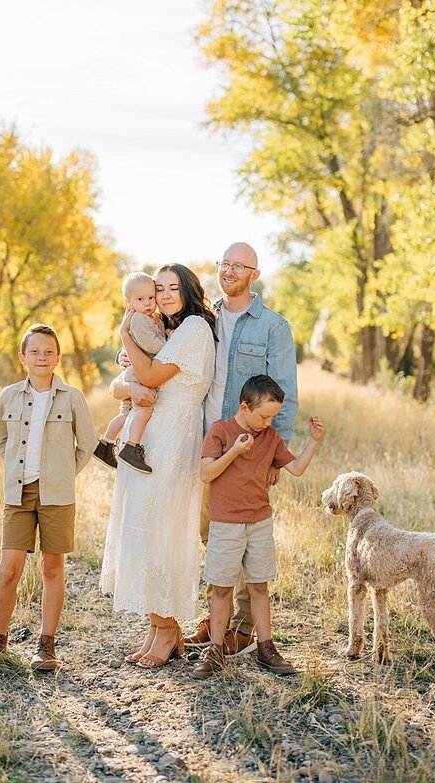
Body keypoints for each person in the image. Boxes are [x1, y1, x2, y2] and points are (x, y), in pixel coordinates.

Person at [99, 264, 218, 668]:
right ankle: (155, 626)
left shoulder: (195, 330)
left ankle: (168, 628)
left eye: (171, 288)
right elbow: (128, 381)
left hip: (174, 435)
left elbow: (148, 373)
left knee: (160, 530)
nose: (164, 295)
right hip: (150, 433)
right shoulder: (165, 331)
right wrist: (129, 380)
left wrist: (124, 333)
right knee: (141, 527)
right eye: (158, 289)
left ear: (187, 290)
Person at [189, 242, 299, 657]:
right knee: (212, 533)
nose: (229, 271)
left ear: (254, 273)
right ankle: (219, 618)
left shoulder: (273, 326)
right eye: (224, 264)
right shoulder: (204, 319)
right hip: (209, 444)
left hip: (251, 449)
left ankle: (242, 626)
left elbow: (284, 389)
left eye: (239, 266)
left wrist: (276, 452)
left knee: (247, 534)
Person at [192, 375, 325, 678]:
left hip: (259, 522)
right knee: (222, 588)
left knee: (258, 586)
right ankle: (215, 650)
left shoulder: (271, 437)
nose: (268, 421)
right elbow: (205, 473)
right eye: (264, 415)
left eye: (273, 416)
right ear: (244, 407)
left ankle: (266, 647)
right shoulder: (220, 431)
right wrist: (234, 452)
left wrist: (314, 440)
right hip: (225, 524)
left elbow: (297, 469)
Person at [0, 324, 97, 671]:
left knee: (52, 566)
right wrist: (18, 470)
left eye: (49, 351)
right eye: (35, 352)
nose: (42, 357)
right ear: (23, 358)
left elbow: (88, 443)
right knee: (9, 569)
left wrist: (62, 475)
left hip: (57, 495)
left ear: (58, 357)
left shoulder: (72, 397)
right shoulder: (9, 396)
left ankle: (46, 646)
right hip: (18, 494)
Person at [94, 272, 167, 473]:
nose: (148, 303)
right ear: (128, 302)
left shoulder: (147, 317)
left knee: (126, 413)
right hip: (138, 374)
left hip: (133, 371)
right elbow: (151, 345)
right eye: (141, 299)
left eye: (151, 298)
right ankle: (131, 447)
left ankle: (106, 443)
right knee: (144, 409)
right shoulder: (139, 320)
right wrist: (168, 343)